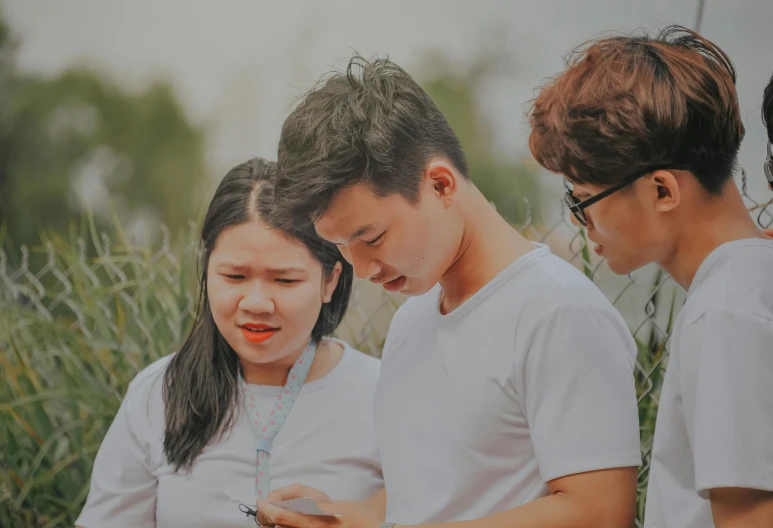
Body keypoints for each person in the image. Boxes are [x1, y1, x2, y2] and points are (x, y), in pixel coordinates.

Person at [256, 54, 642, 528]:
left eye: (371, 237)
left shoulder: (559, 312)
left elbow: (600, 511)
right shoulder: (412, 321)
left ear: (440, 184)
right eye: (340, 246)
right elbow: (416, 499)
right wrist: (340, 516)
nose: (361, 267)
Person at [528, 26, 773, 528]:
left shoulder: (724, 313)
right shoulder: (747, 285)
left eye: (582, 199)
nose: (581, 222)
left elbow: (751, 516)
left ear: (662, 190)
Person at [76, 158, 383, 528]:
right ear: (208, 269)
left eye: (284, 280)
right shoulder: (158, 394)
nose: (256, 303)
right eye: (234, 276)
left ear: (330, 281)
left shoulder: (382, 394)